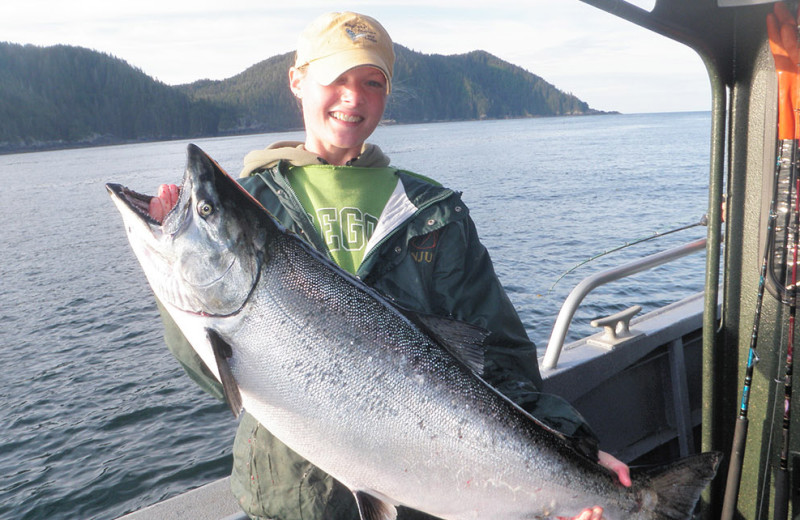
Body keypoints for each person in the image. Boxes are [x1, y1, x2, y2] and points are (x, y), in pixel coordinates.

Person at [150, 11, 631, 520]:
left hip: (428, 493)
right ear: (298, 80)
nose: (353, 97)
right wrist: (175, 259)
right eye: (335, 78)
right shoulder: (251, 202)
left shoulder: (434, 211)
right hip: (292, 503)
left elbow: (500, 358)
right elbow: (215, 368)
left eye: (372, 82)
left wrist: (572, 449)